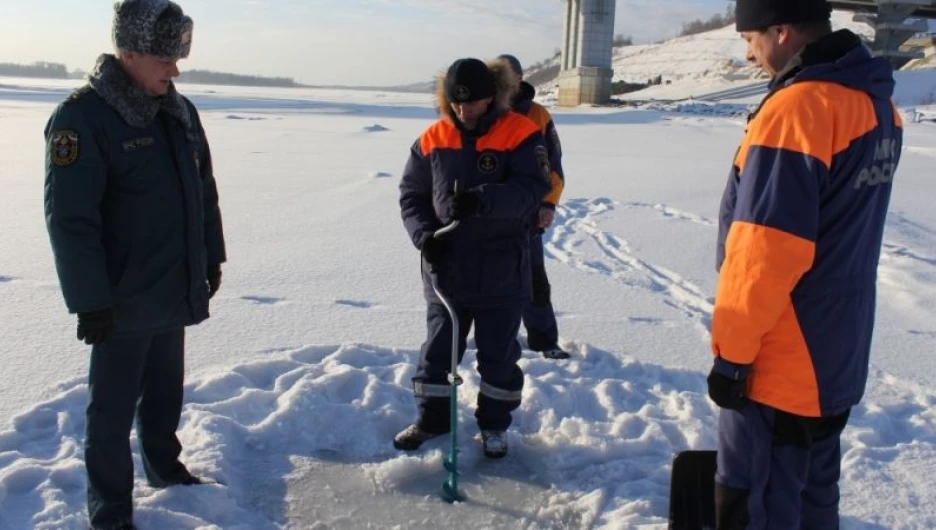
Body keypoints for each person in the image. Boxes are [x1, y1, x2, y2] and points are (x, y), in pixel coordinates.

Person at [708, 0, 902, 528]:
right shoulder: (877, 105)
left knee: (756, 499)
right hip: (837, 344)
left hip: (781, 355)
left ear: (781, 30)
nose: (749, 55)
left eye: (750, 40)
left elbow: (764, 252)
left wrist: (733, 355)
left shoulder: (799, 110)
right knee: (814, 494)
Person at [43, 1, 226, 528]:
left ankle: (165, 469)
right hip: (119, 300)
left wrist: (209, 259)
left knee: (166, 391)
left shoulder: (179, 110)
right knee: (111, 413)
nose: (175, 68)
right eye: (164, 57)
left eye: (178, 55)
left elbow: (203, 192)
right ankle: (110, 512)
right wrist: (90, 301)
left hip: (173, 284)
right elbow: (71, 221)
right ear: (128, 53)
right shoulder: (83, 118)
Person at [396, 57, 551, 458]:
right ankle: (433, 419)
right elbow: (411, 195)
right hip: (446, 271)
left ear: (492, 97)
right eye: (457, 103)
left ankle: (494, 425)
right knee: (437, 353)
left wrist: (484, 200)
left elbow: (532, 190)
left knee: (498, 356)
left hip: (502, 270)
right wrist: (424, 236)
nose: (465, 111)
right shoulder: (432, 138)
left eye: (474, 102)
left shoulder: (521, 132)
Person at [498, 53, 570, 360]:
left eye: (509, 77)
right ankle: (495, 340)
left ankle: (543, 340)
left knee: (533, 278)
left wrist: (548, 204)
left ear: (520, 79)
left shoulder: (538, 115)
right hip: (491, 212)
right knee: (490, 280)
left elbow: (554, 165)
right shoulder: (483, 112)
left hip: (528, 213)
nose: (505, 84)